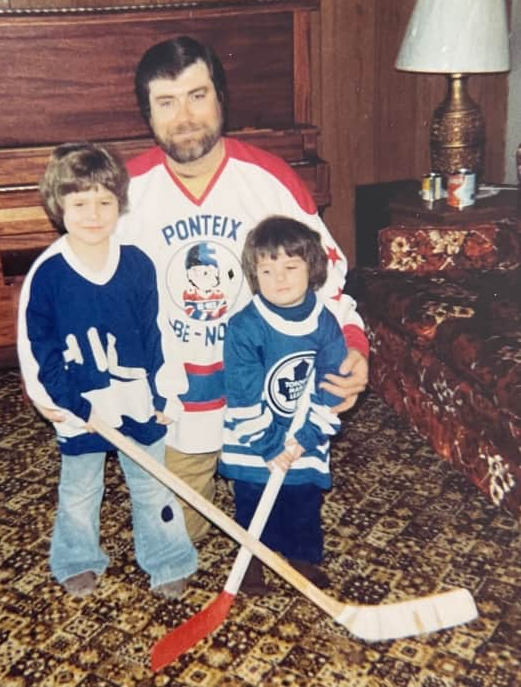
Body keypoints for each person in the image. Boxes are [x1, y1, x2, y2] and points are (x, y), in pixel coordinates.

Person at [38, 36, 369, 543]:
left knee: (284, 527)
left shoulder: (269, 181)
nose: (185, 116)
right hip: (176, 399)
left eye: (197, 95)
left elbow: (328, 283)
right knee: (175, 539)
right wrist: (52, 376)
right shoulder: (124, 195)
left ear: (221, 99)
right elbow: (73, 290)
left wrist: (351, 347)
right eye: (166, 102)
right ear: (147, 114)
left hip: (268, 395)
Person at [17, 142, 197, 599]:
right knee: (79, 489)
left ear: (120, 204)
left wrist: (166, 393)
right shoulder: (48, 274)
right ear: (59, 207)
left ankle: (168, 558)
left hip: (136, 400)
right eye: (80, 203)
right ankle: (77, 558)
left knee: (154, 485)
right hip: (79, 405)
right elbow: (37, 346)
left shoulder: (137, 264)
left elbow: (158, 332)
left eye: (104, 201)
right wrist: (57, 401)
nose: (93, 214)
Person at [219, 216, 347, 594]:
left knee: (303, 499)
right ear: (255, 275)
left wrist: (308, 435)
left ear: (312, 268)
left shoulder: (324, 322)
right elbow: (242, 394)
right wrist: (270, 444)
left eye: (291, 266)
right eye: (267, 269)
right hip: (254, 435)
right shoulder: (245, 326)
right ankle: (251, 562)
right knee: (253, 501)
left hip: (303, 434)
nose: (280, 278)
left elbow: (333, 382)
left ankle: (302, 556)